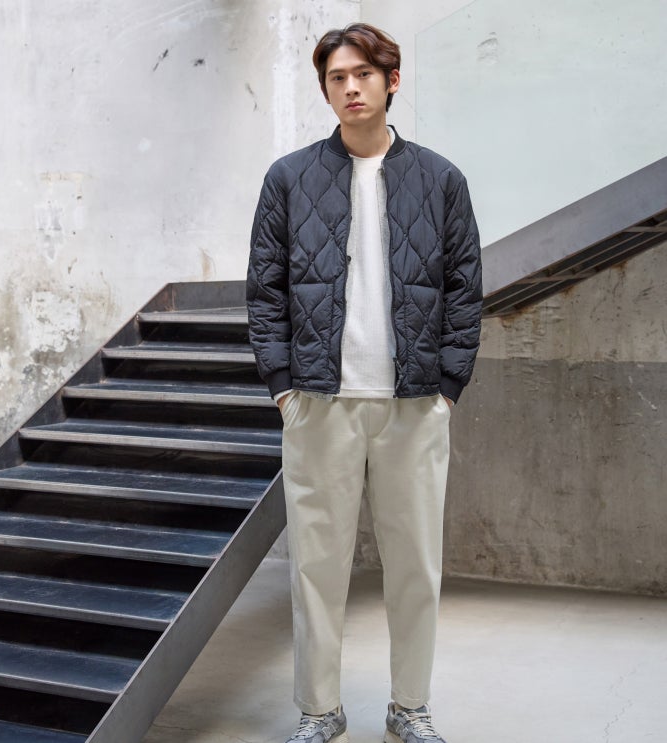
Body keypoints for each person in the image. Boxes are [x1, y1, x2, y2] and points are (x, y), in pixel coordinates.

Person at [246, 22, 482, 743]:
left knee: (416, 568)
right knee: (316, 569)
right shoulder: (289, 178)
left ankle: (410, 707)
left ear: (391, 81)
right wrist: (283, 386)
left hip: (414, 403)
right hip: (319, 402)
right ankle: (320, 710)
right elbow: (265, 290)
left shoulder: (440, 179)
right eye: (336, 78)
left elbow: (465, 289)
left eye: (362, 74)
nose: (350, 88)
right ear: (325, 90)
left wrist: (447, 387)